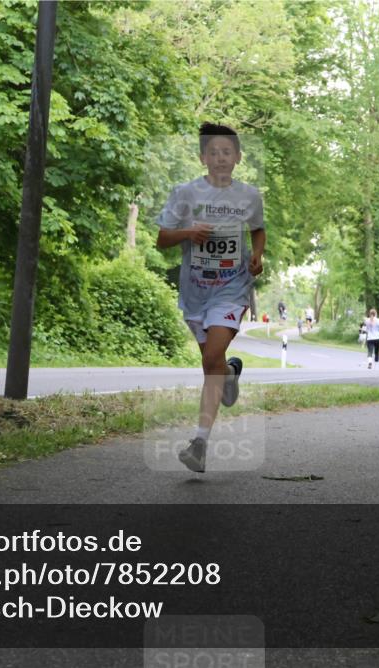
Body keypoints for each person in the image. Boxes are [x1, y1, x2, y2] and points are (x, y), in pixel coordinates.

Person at [156, 122, 265, 473]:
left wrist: (257, 256)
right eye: (213, 152)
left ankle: (199, 444)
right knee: (213, 365)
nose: (220, 158)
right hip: (196, 292)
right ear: (203, 157)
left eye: (227, 152)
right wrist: (189, 232)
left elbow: (258, 230)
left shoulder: (249, 197)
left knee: (212, 356)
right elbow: (162, 240)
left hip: (232, 288)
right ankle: (230, 373)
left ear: (237, 157)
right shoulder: (185, 194)